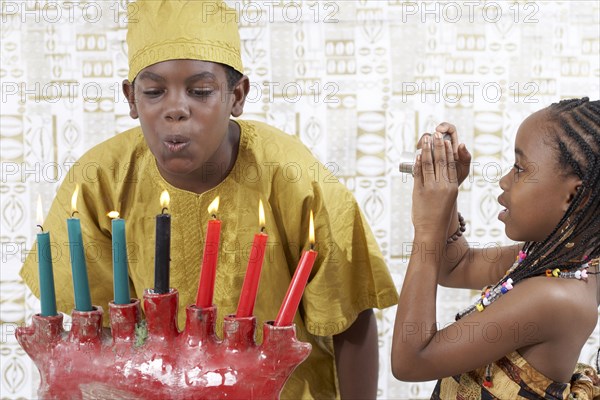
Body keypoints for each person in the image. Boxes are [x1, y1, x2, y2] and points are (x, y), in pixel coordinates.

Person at [18, 1, 398, 399]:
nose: (176, 109)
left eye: (200, 91)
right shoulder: (100, 180)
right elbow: (94, 329)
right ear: (131, 99)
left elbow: (350, 319)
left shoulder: (295, 178)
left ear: (237, 95)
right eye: (153, 91)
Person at [391, 97, 600, 399]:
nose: (504, 181)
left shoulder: (556, 295)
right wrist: (447, 198)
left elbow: (411, 361)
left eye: (519, 168)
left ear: (573, 195)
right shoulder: (557, 261)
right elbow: (457, 266)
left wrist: (427, 228)